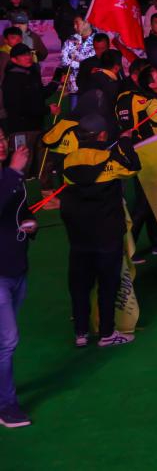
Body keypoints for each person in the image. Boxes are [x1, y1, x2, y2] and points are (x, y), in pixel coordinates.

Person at [60, 113, 141, 347]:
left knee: (79, 285)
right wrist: (125, 142)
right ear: (103, 135)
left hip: (79, 236)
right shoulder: (111, 161)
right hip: (107, 234)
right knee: (108, 284)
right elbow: (134, 167)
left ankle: (81, 332)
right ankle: (106, 333)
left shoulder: (67, 161)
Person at [0, 136, 33, 427]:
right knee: (7, 340)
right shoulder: (10, 173)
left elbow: (19, 208)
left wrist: (30, 223)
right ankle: (6, 406)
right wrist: (14, 171)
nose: (1, 144)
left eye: (1, 138)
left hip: (16, 267)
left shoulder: (8, 174)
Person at [3, 44, 58, 178]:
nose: (27, 57)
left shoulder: (32, 73)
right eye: (23, 55)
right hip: (21, 130)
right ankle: (18, 190)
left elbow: (40, 94)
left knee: (42, 165)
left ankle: (44, 189)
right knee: (23, 165)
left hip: (37, 128)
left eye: (28, 54)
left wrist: (56, 81)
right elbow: (19, 107)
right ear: (14, 59)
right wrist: (47, 109)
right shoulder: (11, 79)